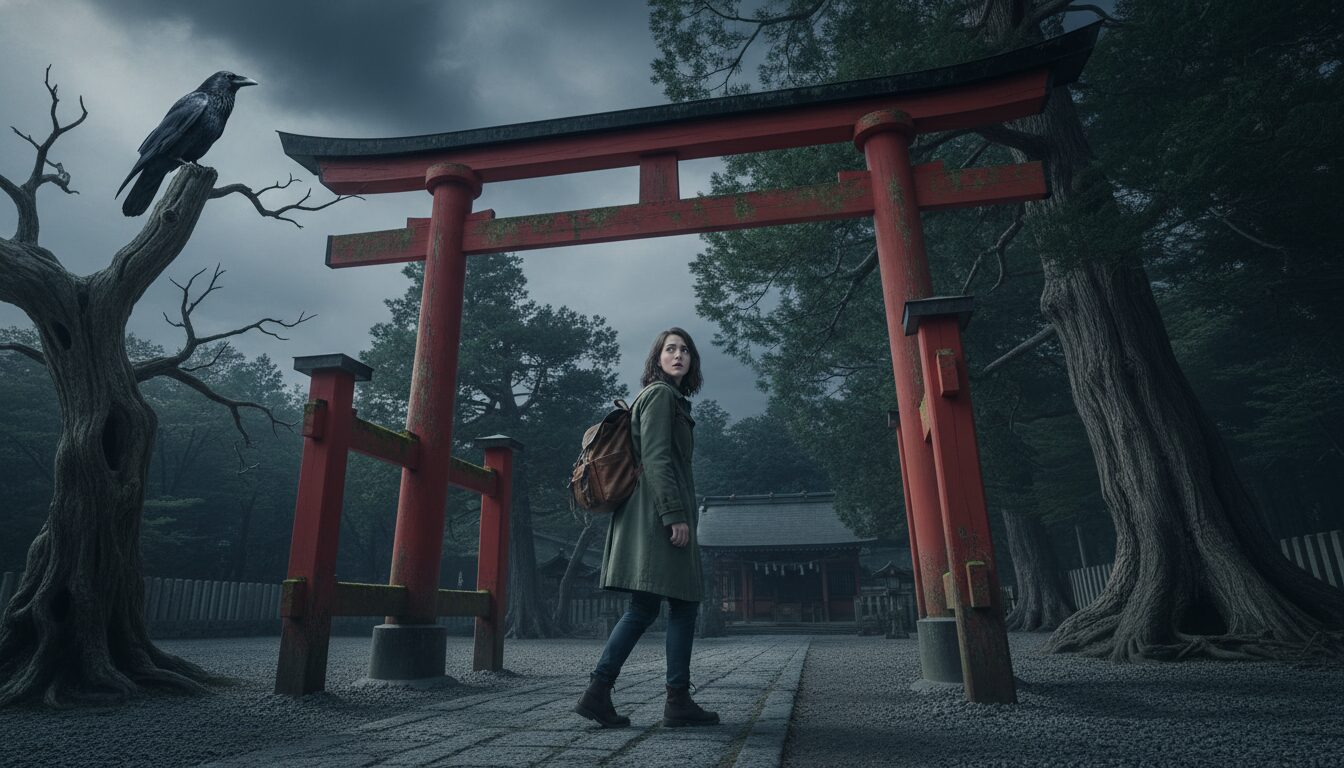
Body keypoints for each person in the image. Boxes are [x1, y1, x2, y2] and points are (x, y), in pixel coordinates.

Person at [574, 327, 720, 729]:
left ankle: (600, 693)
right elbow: (655, 459)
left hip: (648, 514)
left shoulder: (672, 399)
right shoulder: (659, 396)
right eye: (670, 349)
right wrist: (674, 515)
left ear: (692, 360)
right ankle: (674, 700)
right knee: (677, 605)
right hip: (655, 516)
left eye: (685, 350)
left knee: (646, 607)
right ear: (657, 358)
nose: (678, 355)